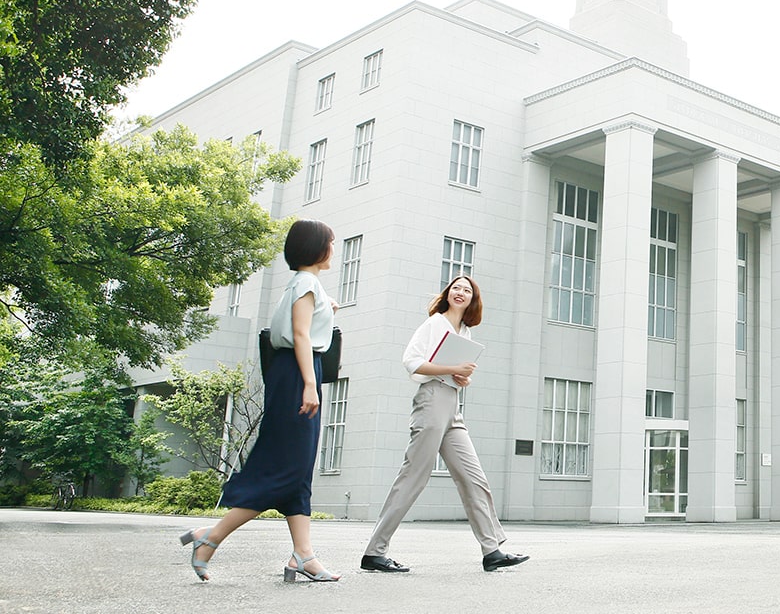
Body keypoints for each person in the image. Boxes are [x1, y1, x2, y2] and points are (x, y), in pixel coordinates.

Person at [179, 218, 341, 583]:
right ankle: (211, 536)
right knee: (284, 469)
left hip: (293, 373)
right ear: (317, 247)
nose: (334, 247)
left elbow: (304, 324)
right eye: (331, 242)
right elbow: (300, 334)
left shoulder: (301, 284)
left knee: (296, 470)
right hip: (298, 375)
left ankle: (303, 555)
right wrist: (310, 385)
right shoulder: (306, 283)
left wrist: (327, 306)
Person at [360, 274, 530, 574]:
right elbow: (412, 362)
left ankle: (492, 551)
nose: (460, 292)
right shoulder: (434, 323)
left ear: (473, 299)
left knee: (473, 477)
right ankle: (375, 552)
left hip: (451, 404)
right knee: (414, 476)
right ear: (447, 294)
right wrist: (452, 368)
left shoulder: (463, 331)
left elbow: (451, 372)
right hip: (431, 401)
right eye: (456, 288)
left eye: (467, 290)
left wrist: (461, 377)